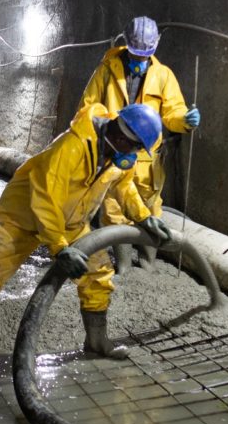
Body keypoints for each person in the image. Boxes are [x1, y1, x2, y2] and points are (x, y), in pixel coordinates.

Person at [0, 102, 171, 383]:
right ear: (121, 138)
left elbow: (122, 184)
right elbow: (44, 200)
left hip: (71, 222)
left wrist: (143, 217)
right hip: (20, 219)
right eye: (133, 149)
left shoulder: (112, 152)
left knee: (98, 274)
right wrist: (59, 248)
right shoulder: (70, 148)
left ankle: (96, 342)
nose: (133, 156)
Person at [79, 16, 200, 272]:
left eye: (144, 56)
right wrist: (108, 137)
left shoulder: (163, 76)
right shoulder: (107, 70)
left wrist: (185, 121)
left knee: (149, 208)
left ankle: (148, 263)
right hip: (115, 151)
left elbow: (172, 111)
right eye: (135, 55)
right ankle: (123, 265)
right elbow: (88, 109)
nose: (139, 61)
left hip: (147, 158)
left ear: (155, 47)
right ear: (126, 44)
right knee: (113, 209)